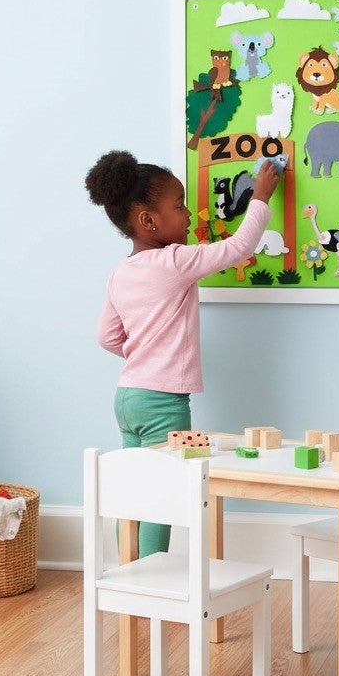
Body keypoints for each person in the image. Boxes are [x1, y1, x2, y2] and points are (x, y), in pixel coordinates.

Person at [85, 150, 281, 557]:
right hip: (163, 402)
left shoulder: (121, 273)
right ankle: (151, 575)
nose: (190, 214)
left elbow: (106, 337)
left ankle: (128, 569)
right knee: (161, 492)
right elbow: (238, 247)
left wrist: (144, 354)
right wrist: (261, 196)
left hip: (128, 397)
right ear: (148, 221)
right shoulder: (173, 262)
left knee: (134, 490)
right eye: (179, 206)